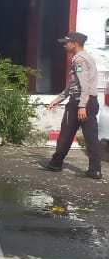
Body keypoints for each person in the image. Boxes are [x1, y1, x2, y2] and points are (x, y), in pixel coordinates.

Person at [42, 31, 102, 179]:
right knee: (90, 137)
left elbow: (84, 85)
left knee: (67, 135)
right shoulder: (85, 58)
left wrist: (82, 105)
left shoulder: (79, 60)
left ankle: (56, 164)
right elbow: (73, 85)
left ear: (74, 44)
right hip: (87, 101)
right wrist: (58, 99)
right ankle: (94, 170)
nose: (64, 45)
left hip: (80, 103)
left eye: (66, 43)